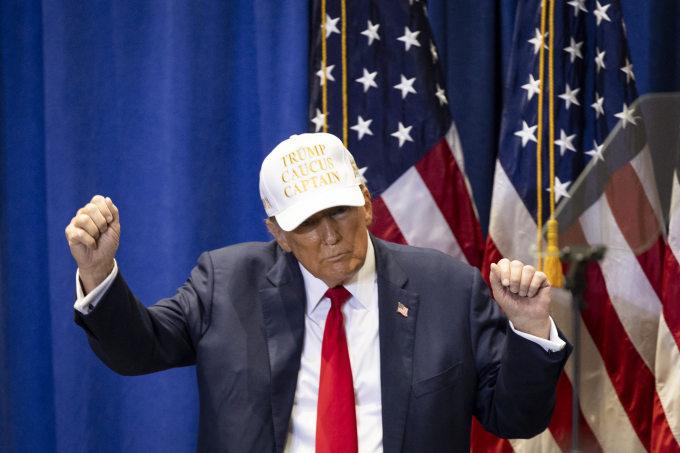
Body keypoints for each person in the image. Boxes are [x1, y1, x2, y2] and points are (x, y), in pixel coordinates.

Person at [66, 133, 571, 453]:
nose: (329, 235)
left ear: (367, 205)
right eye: (307, 223)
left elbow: (517, 419)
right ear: (277, 233)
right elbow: (137, 349)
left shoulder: (448, 287)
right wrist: (98, 271)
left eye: (340, 212)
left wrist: (528, 331)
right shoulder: (225, 282)